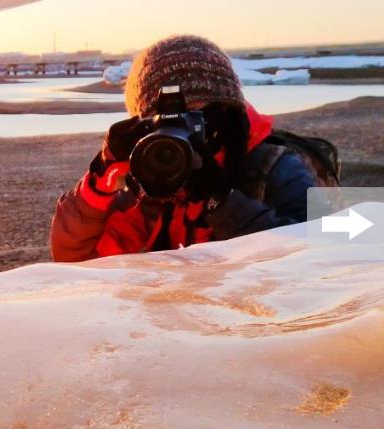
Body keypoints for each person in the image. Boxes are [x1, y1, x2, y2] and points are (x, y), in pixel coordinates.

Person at [51, 35, 318, 262]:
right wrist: (97, 184)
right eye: (165, 120)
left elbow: (326, 258)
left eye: (197, 117)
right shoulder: (147, 184)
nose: (181, 131)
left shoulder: (274, 167)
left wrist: (221, 202)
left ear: (228, 113)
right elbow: (76, 261)